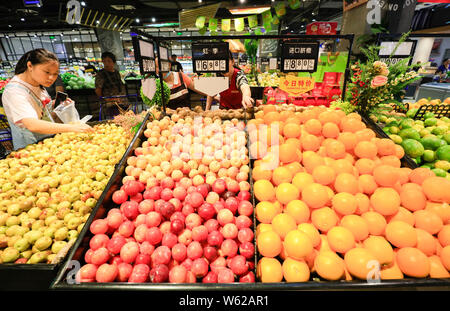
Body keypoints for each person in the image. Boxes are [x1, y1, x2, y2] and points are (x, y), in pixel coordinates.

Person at [1, 48, 93, 150]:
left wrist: (55, 105)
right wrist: (71, 128)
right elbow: (32, 124)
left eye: (55, 74)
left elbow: (42, 113)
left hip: (48, 145)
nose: (51, 78)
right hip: (31, 151)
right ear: (30, 66)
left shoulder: (37, 83)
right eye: (47, 72)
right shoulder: (15, 92)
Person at [95, 52, 127, 117]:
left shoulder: (116, 72)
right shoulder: (101, 74)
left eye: (109, 61)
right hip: (110, 104)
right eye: (104, 61)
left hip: (121, 102)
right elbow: (98, 90)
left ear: (113, 62)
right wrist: (106, 100)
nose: (106, 64)